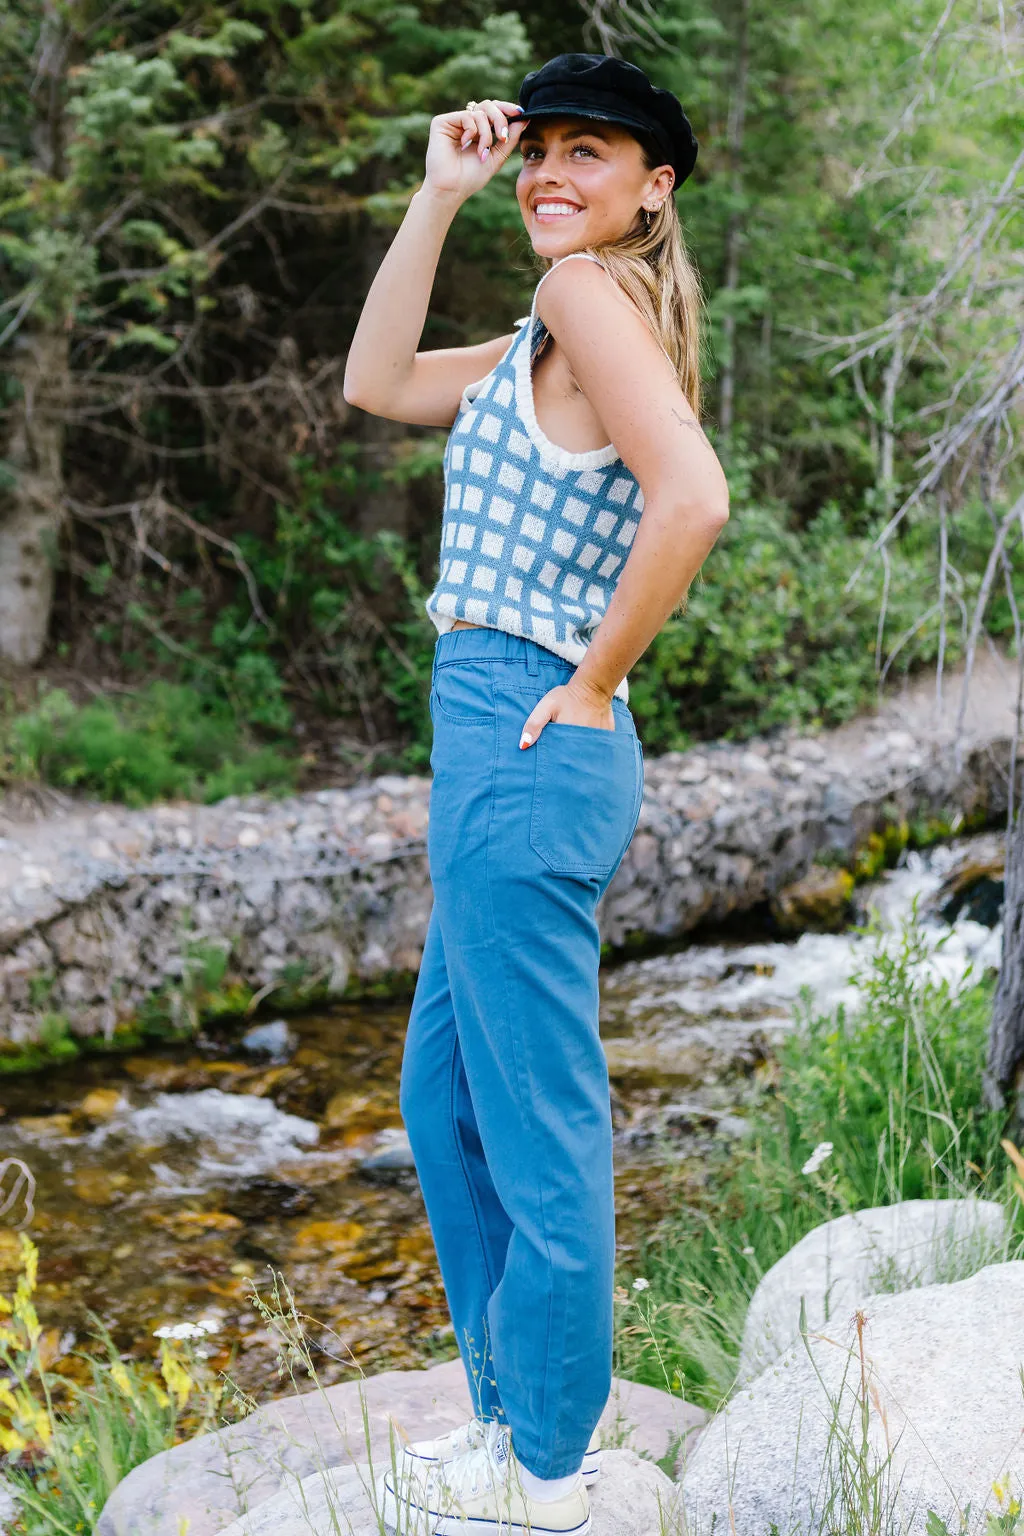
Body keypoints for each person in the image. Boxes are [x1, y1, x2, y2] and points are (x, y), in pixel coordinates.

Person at [344, 50, 730, 1536]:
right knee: (444, 1100)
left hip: (525, 719)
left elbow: (694, 499)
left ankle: (553, 1471)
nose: (554, 172)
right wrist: (440, 191)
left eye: (593, 151)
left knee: (531, 1115)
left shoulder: (590, 298)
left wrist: (585, 678)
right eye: (538, 151)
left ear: (654, 187)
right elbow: (377, 381)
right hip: (497, 730)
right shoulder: (547, 331)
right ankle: (509, 1415)